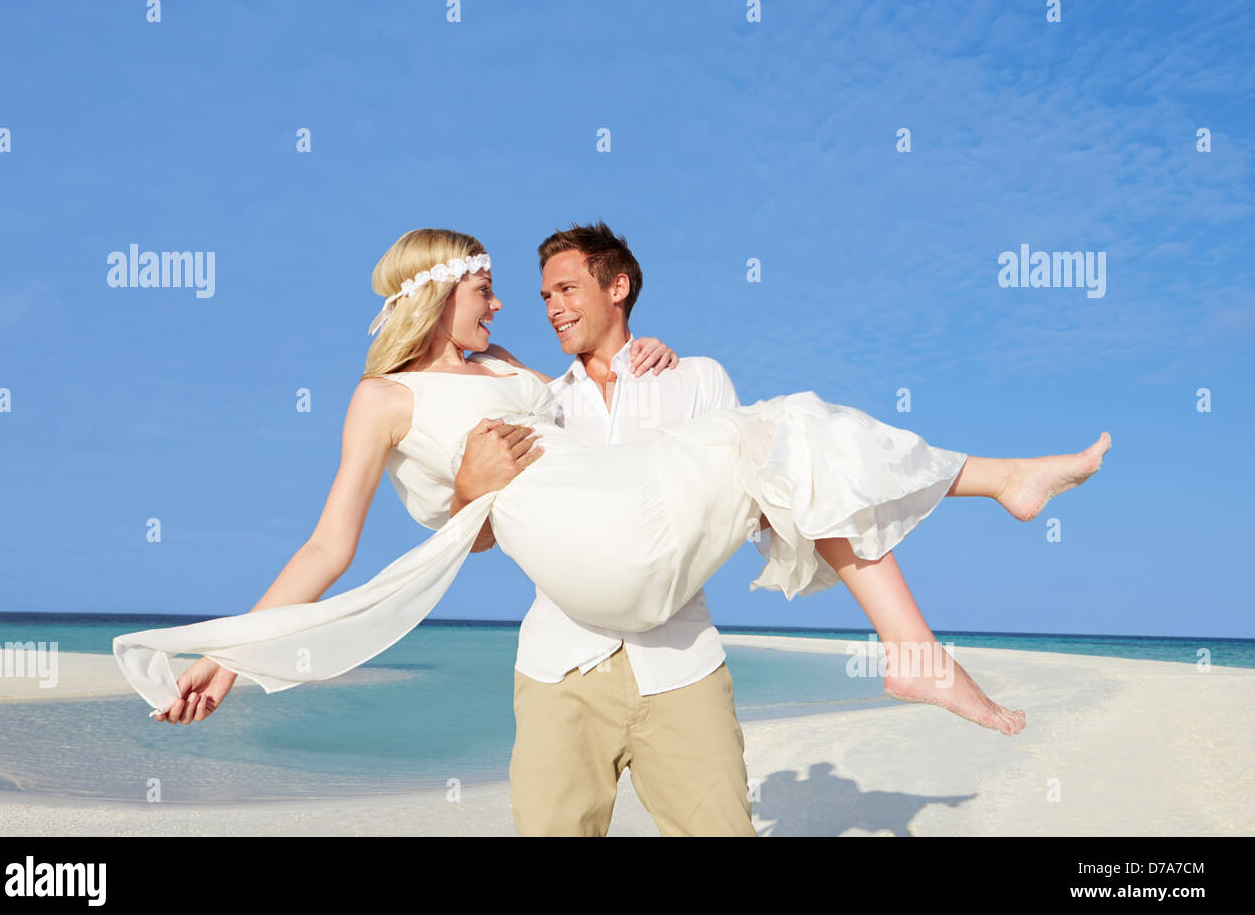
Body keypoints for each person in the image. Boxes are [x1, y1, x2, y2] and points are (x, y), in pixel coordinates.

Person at [114, 226, 1111, 761]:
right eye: (487, 288)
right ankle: (999, 496)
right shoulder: (381, 398)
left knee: (794, 436)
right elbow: (330, 548)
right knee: (785, 429)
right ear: (436, 292)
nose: (505, 306)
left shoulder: (512, 367)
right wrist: (226, 658)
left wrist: (645, 357)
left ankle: (918, 649)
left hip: (628, 519)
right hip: (592, 553)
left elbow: (591, 410)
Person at [458, 222, 757, 836]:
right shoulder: (540, 407)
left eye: (566, 290)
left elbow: (738, 503)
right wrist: (469, 491)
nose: (552, 309)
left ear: (617, 286)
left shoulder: (695, 381)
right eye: (545, 297)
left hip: (681, 664)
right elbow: (485, 536)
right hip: (559, 671)